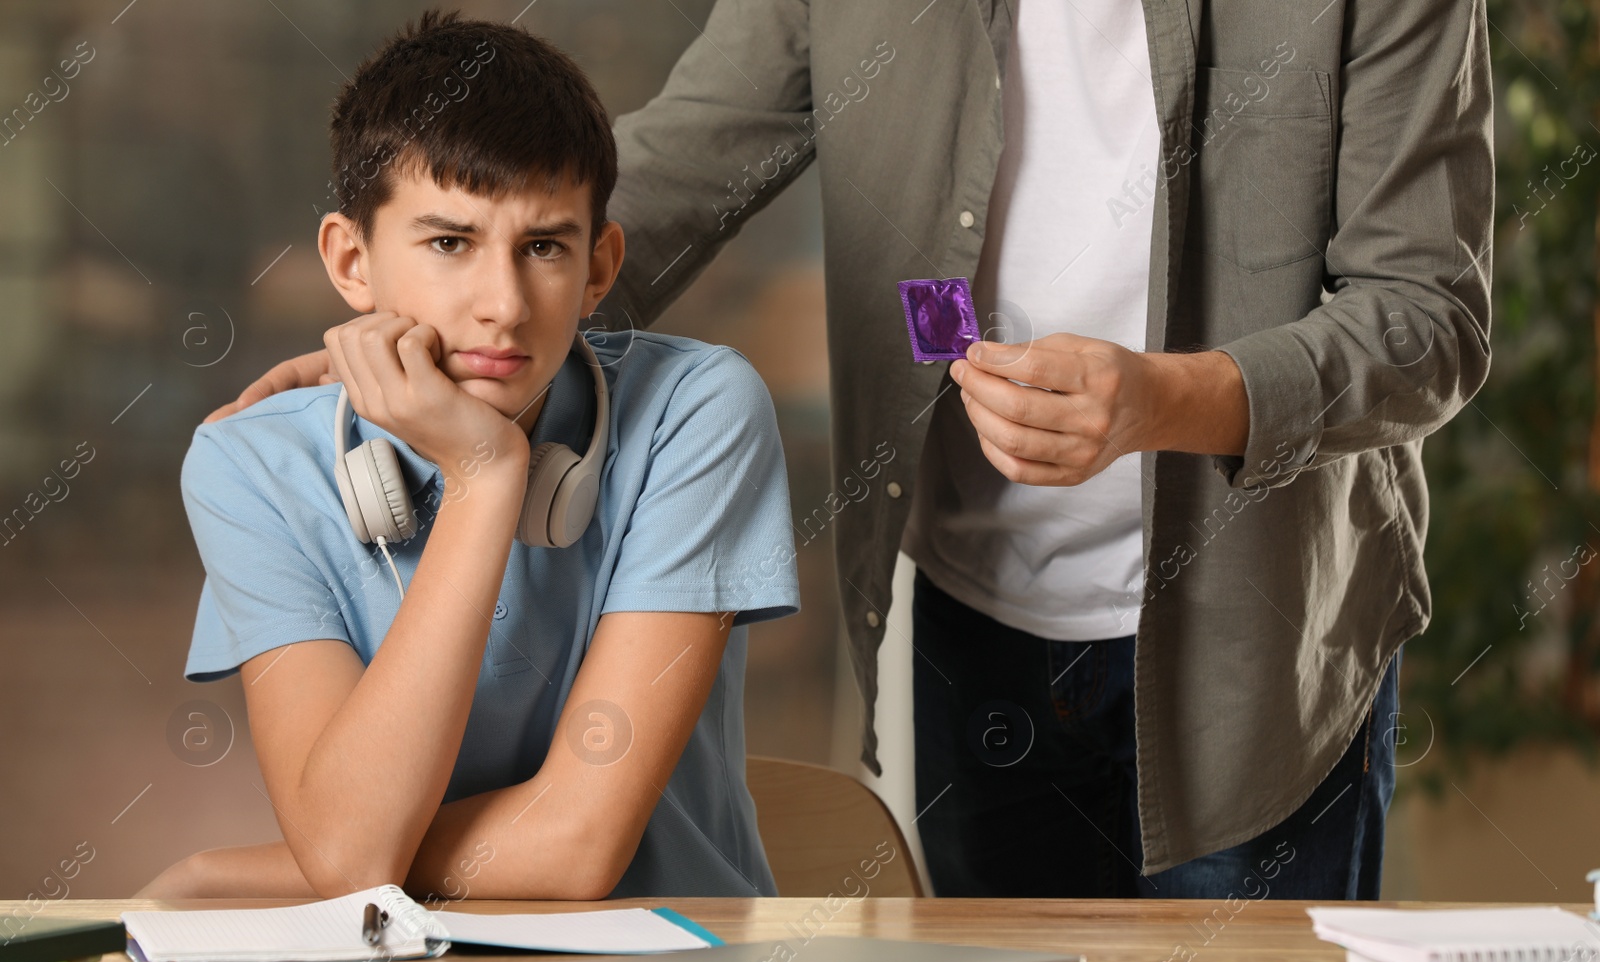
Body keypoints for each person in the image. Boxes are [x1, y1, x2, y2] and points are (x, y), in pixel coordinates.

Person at [214, 0, 1493, 899]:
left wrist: (1171, 400)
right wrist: (431, 330)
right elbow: (654, 177)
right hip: (976, 626)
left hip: (1257, 639)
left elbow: (1430, 316)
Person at [141, 11, 798, 900]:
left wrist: (242, 872)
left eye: (544, 247)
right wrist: (484, 480)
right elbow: (347, 852)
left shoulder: (698, 412)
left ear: (600, 265)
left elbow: (572, 849)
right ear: (350, 260)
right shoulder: (250, 465)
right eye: (450, 242)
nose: (503, 304)